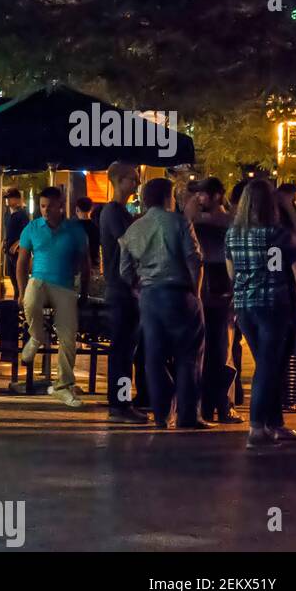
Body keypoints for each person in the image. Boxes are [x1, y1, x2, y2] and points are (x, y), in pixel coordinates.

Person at [119, 179, 207, 429]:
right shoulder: (179, 222)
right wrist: (196, 292)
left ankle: (161, 414)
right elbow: (194, 259)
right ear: (168, 197)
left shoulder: (134, 229)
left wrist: (140, 290)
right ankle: (188, 415)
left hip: (149, 296)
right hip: (180, 293)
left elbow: (124, 270)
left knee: (154, 358)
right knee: (189, 355)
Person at [225, 179, 296, 447]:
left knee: (266, 364)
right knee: (269, 366)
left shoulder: (232, 234)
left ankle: (273, 423)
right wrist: (290, 208)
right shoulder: (275, 233)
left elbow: (232, 273)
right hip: (273, 303)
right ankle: (257, 427)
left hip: (245, 305)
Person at [17, 187, 91, 408]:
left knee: (68, 336)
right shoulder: (32, 228)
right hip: (38, 279)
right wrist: (20, 292)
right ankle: (36, 336)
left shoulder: (75, 230)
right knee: (30, 298)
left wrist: (84, 290)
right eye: (42, 206)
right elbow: (21, 262)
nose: (46, 210)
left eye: (50, 206)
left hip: (65, 285)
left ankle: (62, 386)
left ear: (61, 206)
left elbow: (85, 262)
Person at [184, 177, 242, 424]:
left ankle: (219, 403)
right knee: (209, 349)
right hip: (205, 286)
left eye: (203, 194)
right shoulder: (200, 221)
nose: (199, 198)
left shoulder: (225, 222)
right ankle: (213, 404)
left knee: (221, 348)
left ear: (217, 195)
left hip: (219, 286)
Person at [100, 162, 150, 422]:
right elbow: (130, 242)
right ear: (118, 181)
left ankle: (123, 402)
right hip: (121, 290)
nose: (137, 184)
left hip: (126, 289)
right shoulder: (112, 212)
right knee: (121, 350)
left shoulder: (121, 212)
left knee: (126, 349)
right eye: (132, 179)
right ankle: (119, 404)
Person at [2, 188, 29, 300]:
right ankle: (16, 303)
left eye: (10, 198)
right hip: (9, 252)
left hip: (18, 253)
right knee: (13, 280)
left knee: (20, 282)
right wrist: (4, 241)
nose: (8, 201)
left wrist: (18, 243)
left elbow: (27, 231)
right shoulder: (7, 215)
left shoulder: (22, 215)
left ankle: (21, 302)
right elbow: (7, 231)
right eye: (7, 198)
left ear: (17, 199)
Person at [73, 196, 100, 271]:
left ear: (77, 209)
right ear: (91, 209)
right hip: (92, 265)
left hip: (76, 266)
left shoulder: (72, 227)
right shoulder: (95, 227)